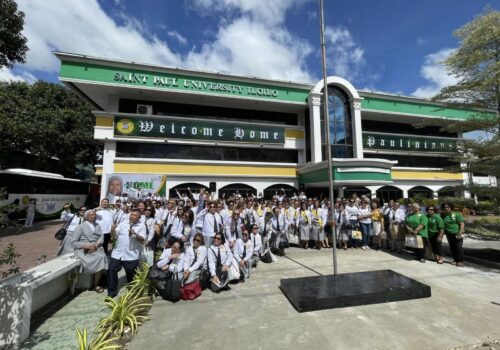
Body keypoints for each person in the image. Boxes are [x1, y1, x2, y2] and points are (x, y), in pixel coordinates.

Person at [107, 209, 146, 297]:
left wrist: (135, 234)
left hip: (131, 255)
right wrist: (112, 230)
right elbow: (115, 235)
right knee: (111, 270)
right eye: (131, 214)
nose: (131, 216)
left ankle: (132, 292)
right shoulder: (123, 223)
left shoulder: (142, 226)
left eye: (134, 215)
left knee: (131, 274)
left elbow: (143, 239)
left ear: (139, 217)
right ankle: (111, 292)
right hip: (117, 252)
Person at [72, 209, 108, 293]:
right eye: (91, 215)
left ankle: (97, 283)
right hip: (84, 249)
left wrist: (96, 245)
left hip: (96, 247)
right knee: (100, 257)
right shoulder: (80, 227)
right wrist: (87, 246)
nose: (93, 216)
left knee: (102, 257)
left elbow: (101, 237)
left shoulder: (97, 225)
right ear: (86, 216)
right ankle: (97, 284)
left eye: (94, 215)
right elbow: (74, 242)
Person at [441, 203, 465, 267]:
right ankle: (455, 260)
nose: (446, 208)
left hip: (457, 233)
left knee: (458, 247)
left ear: (451, 208)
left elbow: (462, 224)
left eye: (448, 207)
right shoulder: (443, 215)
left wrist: (460, 232)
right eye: (444, 207)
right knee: (452, 247)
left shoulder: (456, 214)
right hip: (449, 234)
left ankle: (460, 261)